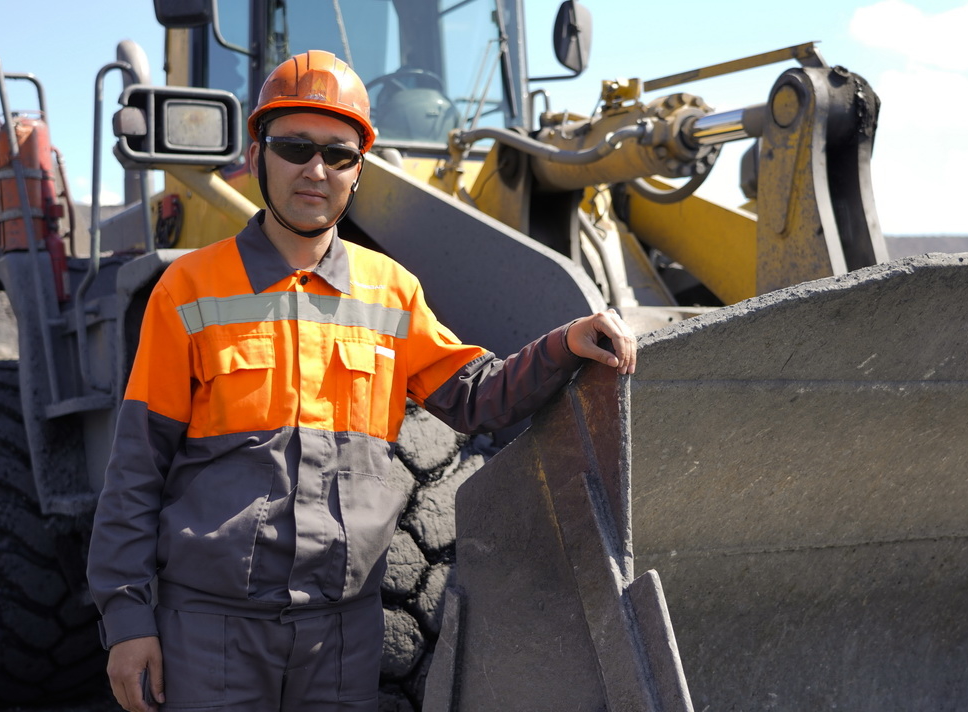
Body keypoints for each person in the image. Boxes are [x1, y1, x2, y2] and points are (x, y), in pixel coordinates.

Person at [87, 50, 636, 712]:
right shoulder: (188, 288)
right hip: (212, 629)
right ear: (259, 152)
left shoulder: (391, 291)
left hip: (341, 632)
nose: (315, 169)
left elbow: (475, 396)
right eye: (294, 147)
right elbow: (136, 470)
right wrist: (128, 622)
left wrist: (561, 345)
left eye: (339, 154)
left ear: (358, 170)